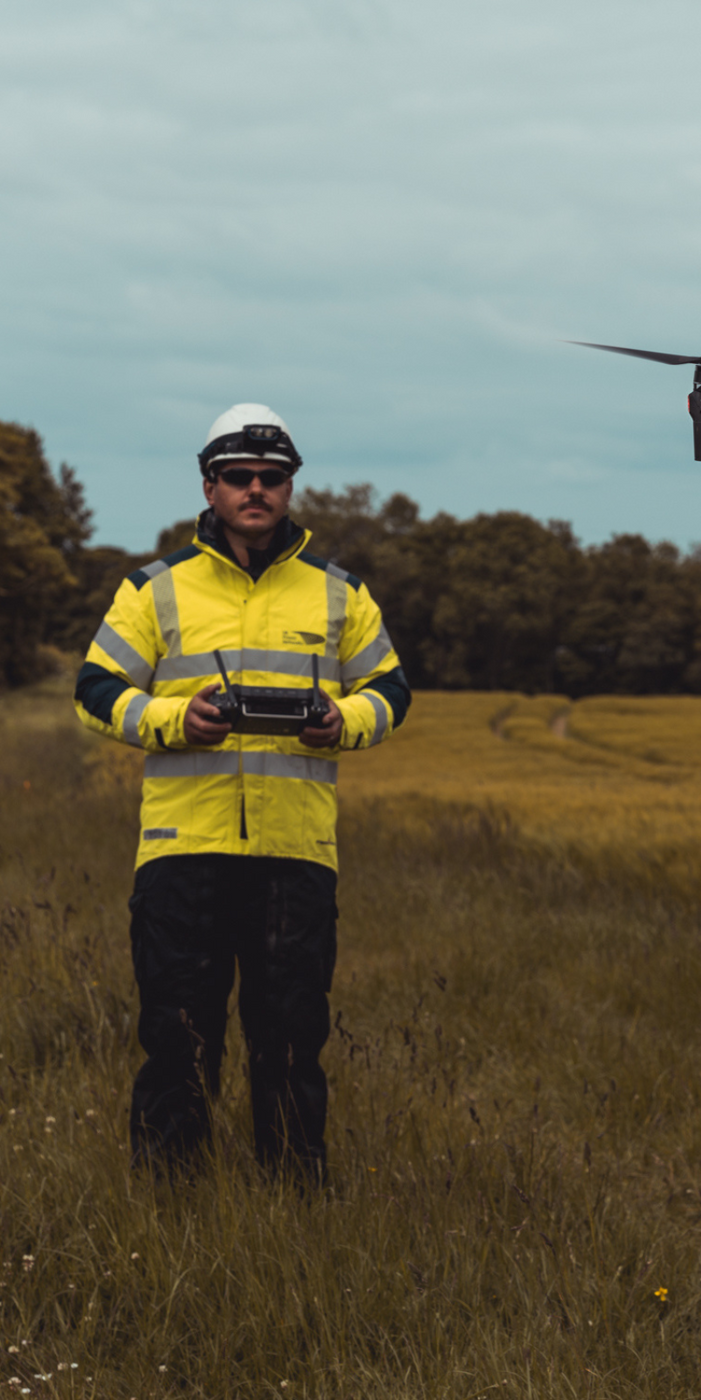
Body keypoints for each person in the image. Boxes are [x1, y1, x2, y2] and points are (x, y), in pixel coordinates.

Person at [74, 404, 411, 1179]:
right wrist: (172, 719)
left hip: (295, 853)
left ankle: (295, 1205)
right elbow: (95, 689)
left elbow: (390, 689)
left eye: (271, 477)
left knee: (292, 1035)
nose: (255, 489)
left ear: (291, 487)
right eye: (238, 477)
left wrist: (343, 722)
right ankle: (170, 1203)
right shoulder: (154, 590)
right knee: (177, 1034)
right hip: (182, 850)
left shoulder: (340, 594)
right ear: (209, 484)